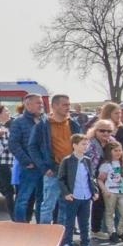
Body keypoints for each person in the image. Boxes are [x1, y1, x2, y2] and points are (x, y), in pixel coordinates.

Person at [38, 94, 83, 225]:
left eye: (69, 105)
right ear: (54, 106)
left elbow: (80, 144)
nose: (68, 107)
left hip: (70, 170)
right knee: (48, 205)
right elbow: (33, 147)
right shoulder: (44, 125)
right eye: (65, 105)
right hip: (53, 170)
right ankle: (45, 236)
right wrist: (44, 167)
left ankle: (63, 237)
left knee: (66, 205)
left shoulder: (73, 124)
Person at [56, 134, 99, 246]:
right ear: (74, 145)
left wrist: (94, 191)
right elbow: (61, 179)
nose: (86, 147)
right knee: (69, 222)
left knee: (85, 222)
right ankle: (67, 245)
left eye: (87, 144)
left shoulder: (87, 160)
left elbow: (91, 178)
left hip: (86, 196)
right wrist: (66, 193)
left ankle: (85, 245)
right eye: (83, 144)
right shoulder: (67, 161)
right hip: (73, 196)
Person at [9, 93, 47, 223]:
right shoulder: (18, 122)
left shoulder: (45, 120)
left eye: (41, 103)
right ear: (28, 104)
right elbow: (14, 144)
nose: (41, 105)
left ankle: (41, 227)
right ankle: (20, 226)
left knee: (42, 199)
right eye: (38, 103)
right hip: (29, 167)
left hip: (44, 167)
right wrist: (27, 161)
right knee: (23, 198)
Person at [96, 140, 123, 244]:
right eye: (115, 151)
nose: (118, 153)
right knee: (109, 212)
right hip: (110, 191)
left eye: (120, 150)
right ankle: (111, 232)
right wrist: (105, 190)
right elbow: (100, 179)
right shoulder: (106, 165)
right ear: (110, 152)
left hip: (122, 191)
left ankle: (120, 231)